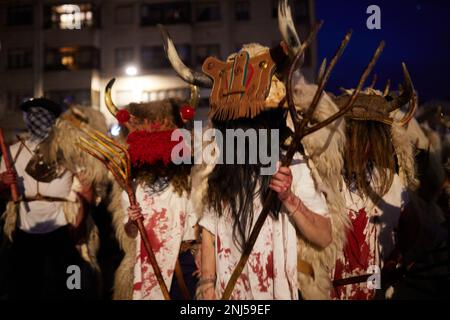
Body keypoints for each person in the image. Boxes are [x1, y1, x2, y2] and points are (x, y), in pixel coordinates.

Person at [103, 85, 200, 300]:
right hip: (149, 261)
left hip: (184, 261)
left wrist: (200, 254)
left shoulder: (189, 180)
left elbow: (198, 223)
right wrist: (132, 221)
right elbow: (130, 231)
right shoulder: (133, 189)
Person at [0, 98, 95, 299]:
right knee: (25, 283)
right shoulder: (12, 152)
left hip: (62, 224)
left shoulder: (68, 150)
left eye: (41, 113)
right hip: (25, 226)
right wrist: (2, 181)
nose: (36, 119)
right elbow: (1, 188)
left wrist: (80, 222)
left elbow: (86, 186)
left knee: (71, 278)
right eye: (31, 114)